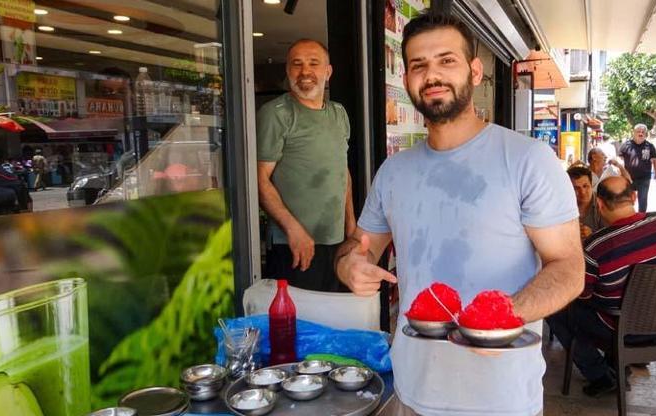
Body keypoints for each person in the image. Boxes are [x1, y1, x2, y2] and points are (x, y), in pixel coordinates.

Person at [335, 13, 584, 415]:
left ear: (474, 70)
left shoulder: (528, 160)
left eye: (446, 60)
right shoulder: (393, 171)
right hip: (412, 391)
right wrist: (349, 264)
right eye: (419, 65)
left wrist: (501, 316)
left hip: (500, 400)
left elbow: (569, 268)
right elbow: (359, 246)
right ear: (407, 78)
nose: (432, 75)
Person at [547, 176, 656, 397]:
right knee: (613, 300)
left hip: (623, 329)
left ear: (600, 203)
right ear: (633, 197)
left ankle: (600, 376)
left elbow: (582, 295)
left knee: (557, 309)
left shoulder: (597, 245)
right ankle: (617, 366)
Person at [257, 39, 355, 292]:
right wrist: (294, 230)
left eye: (314, 63)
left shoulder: (339, 114)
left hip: (335, 242)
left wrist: (351, 227)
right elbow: (259, 179)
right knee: (298, 324)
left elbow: (341, 171)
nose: (305, 72)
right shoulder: (276, 113)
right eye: (296, 64)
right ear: (288, 71)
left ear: (328, 72)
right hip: (293, 245)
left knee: (333, 320)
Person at [619, 124, 656, 212]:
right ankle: (628, 216)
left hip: (644, 178)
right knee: (627, 199)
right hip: (628, 178)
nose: (640, 134)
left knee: (643, 200)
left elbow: (655, 161)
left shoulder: (650, 146)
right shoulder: (626, 145)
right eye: (638, 132)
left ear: (645, 134)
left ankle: (641, 219)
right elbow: (620, 161)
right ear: (634, 133)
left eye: (643, 132)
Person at [567, 165, 605, 240]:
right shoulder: (563, 205)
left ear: (591, 185)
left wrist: (592, 236)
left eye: (585, 186)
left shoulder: (604, 205)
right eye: (576, 188)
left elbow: (610, 236)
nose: (582, 192)